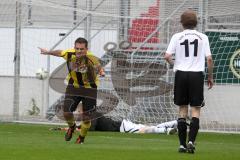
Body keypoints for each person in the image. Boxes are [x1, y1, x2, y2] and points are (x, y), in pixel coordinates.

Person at [164, 10, 214, 153]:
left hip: (181, 74)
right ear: (196, 22)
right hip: (196, 75)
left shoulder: (177, 36)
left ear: (182, 23)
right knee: (196, 109)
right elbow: (209, 59)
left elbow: (167, 56)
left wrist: (176, 64)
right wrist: (210, 77)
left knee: (182, 109)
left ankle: (181, 144)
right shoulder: (203, 37)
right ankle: (191, 141)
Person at [39, 37, 105, 144]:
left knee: (87, 118)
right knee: (66, 112)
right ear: (74, 47)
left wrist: (101, 72)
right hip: (73, 87)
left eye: (81, 49)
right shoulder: (69, 54)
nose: (79, 51)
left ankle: (81, 138)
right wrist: (48, 52)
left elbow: (99, 67)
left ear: (86, 49)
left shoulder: (92, 58)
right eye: (77, 48)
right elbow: (60, 52)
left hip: (90, 89)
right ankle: (72, 126)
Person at [49, 116, 178, 135]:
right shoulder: (88, 118)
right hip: (123, 124)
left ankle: (167, 131)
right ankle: (175, 123)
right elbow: (83, 126)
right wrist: (71, 128)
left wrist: (76, 130)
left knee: (143, 130)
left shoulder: (92, 116)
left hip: (122, 127)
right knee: (146, 127)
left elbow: (90, 128)